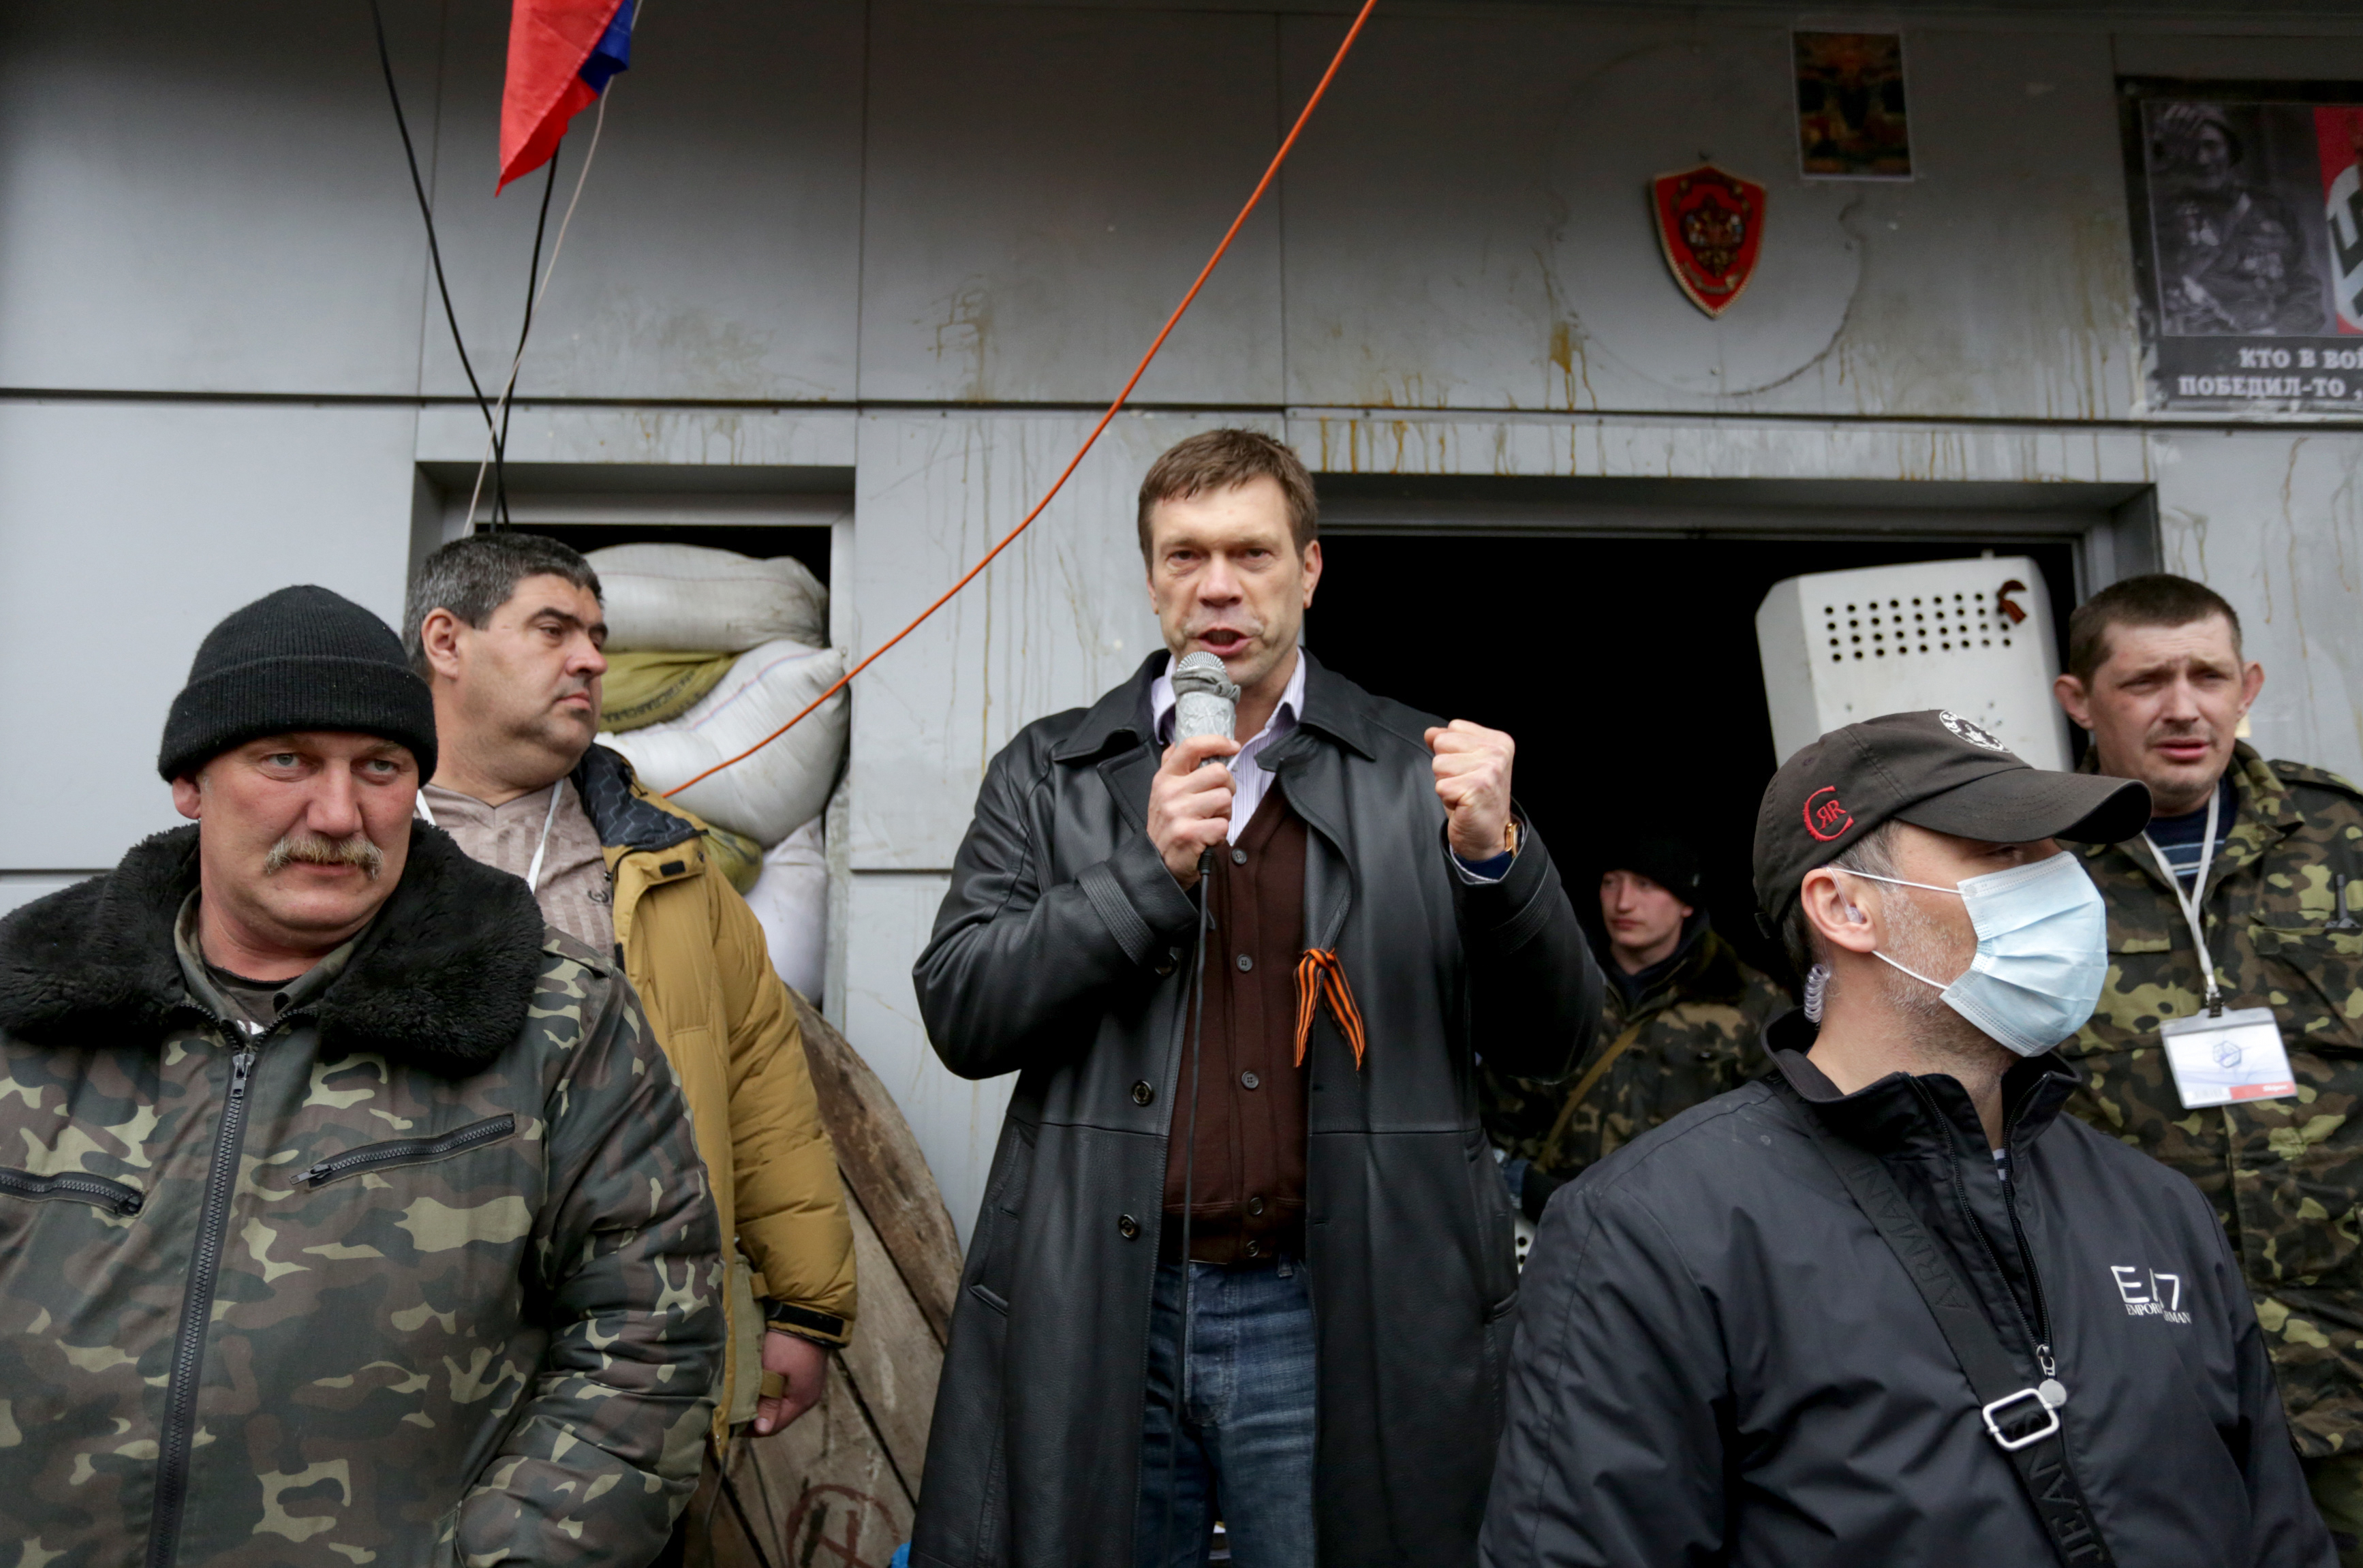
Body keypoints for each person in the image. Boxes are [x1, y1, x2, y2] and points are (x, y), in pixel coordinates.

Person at [908, 429, 1599, 1568]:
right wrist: (1143, 877)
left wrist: (1496, 862)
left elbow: (1557, 1038)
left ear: (1309, 569)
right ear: (1150, 580)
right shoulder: (1051, 771)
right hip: (1107, 1306)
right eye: (1185, 555)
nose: (1217, 586)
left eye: (1252, 553)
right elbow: (961, 1011)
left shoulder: (1417, 770)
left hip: (1331, 1308)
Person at [1481, 708, 2334, 1567]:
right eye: (2004, 852)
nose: (2066, 886)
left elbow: (2280, 1537)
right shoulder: (1651, 1235)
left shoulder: (2157, 1207)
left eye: (2056, 851)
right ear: (1846, 907)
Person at [0, 585, 722, 1563]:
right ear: (191, 782)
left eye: (379, 767)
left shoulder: (552, 1020)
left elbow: (647, 1341)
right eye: (286, 760)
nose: (339, 814)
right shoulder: (31, 1009)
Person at [403, 534, 856, 1471]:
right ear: (447, 642)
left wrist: (806, 1307)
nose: (592, 660)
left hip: (627, 1359)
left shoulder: (668, 863)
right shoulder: (356, 847)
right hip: (395, 1342)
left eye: (599, 637)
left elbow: (763, 1088)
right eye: (554, 630)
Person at [2052, 572, 2363, 1559]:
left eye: (2208, 676)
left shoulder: (2346, 838)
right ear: (2078, 700)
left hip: (2350, 1353)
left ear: (2248, 686)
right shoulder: (2025, 866)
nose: (2184, 708)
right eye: (2146, 681)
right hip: (2143, 1376)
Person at [1483, 835, 1786, 1220]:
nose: (1623, 902)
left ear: (1687, 902)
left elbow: (1773, 1145)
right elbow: (1493, 1112)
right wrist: (1525, 1185)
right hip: (1546, 1227)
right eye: (1611, 882)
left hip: (1678, 1236)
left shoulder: (1750, 1004)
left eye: (1645, 885)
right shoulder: (1553, 986)